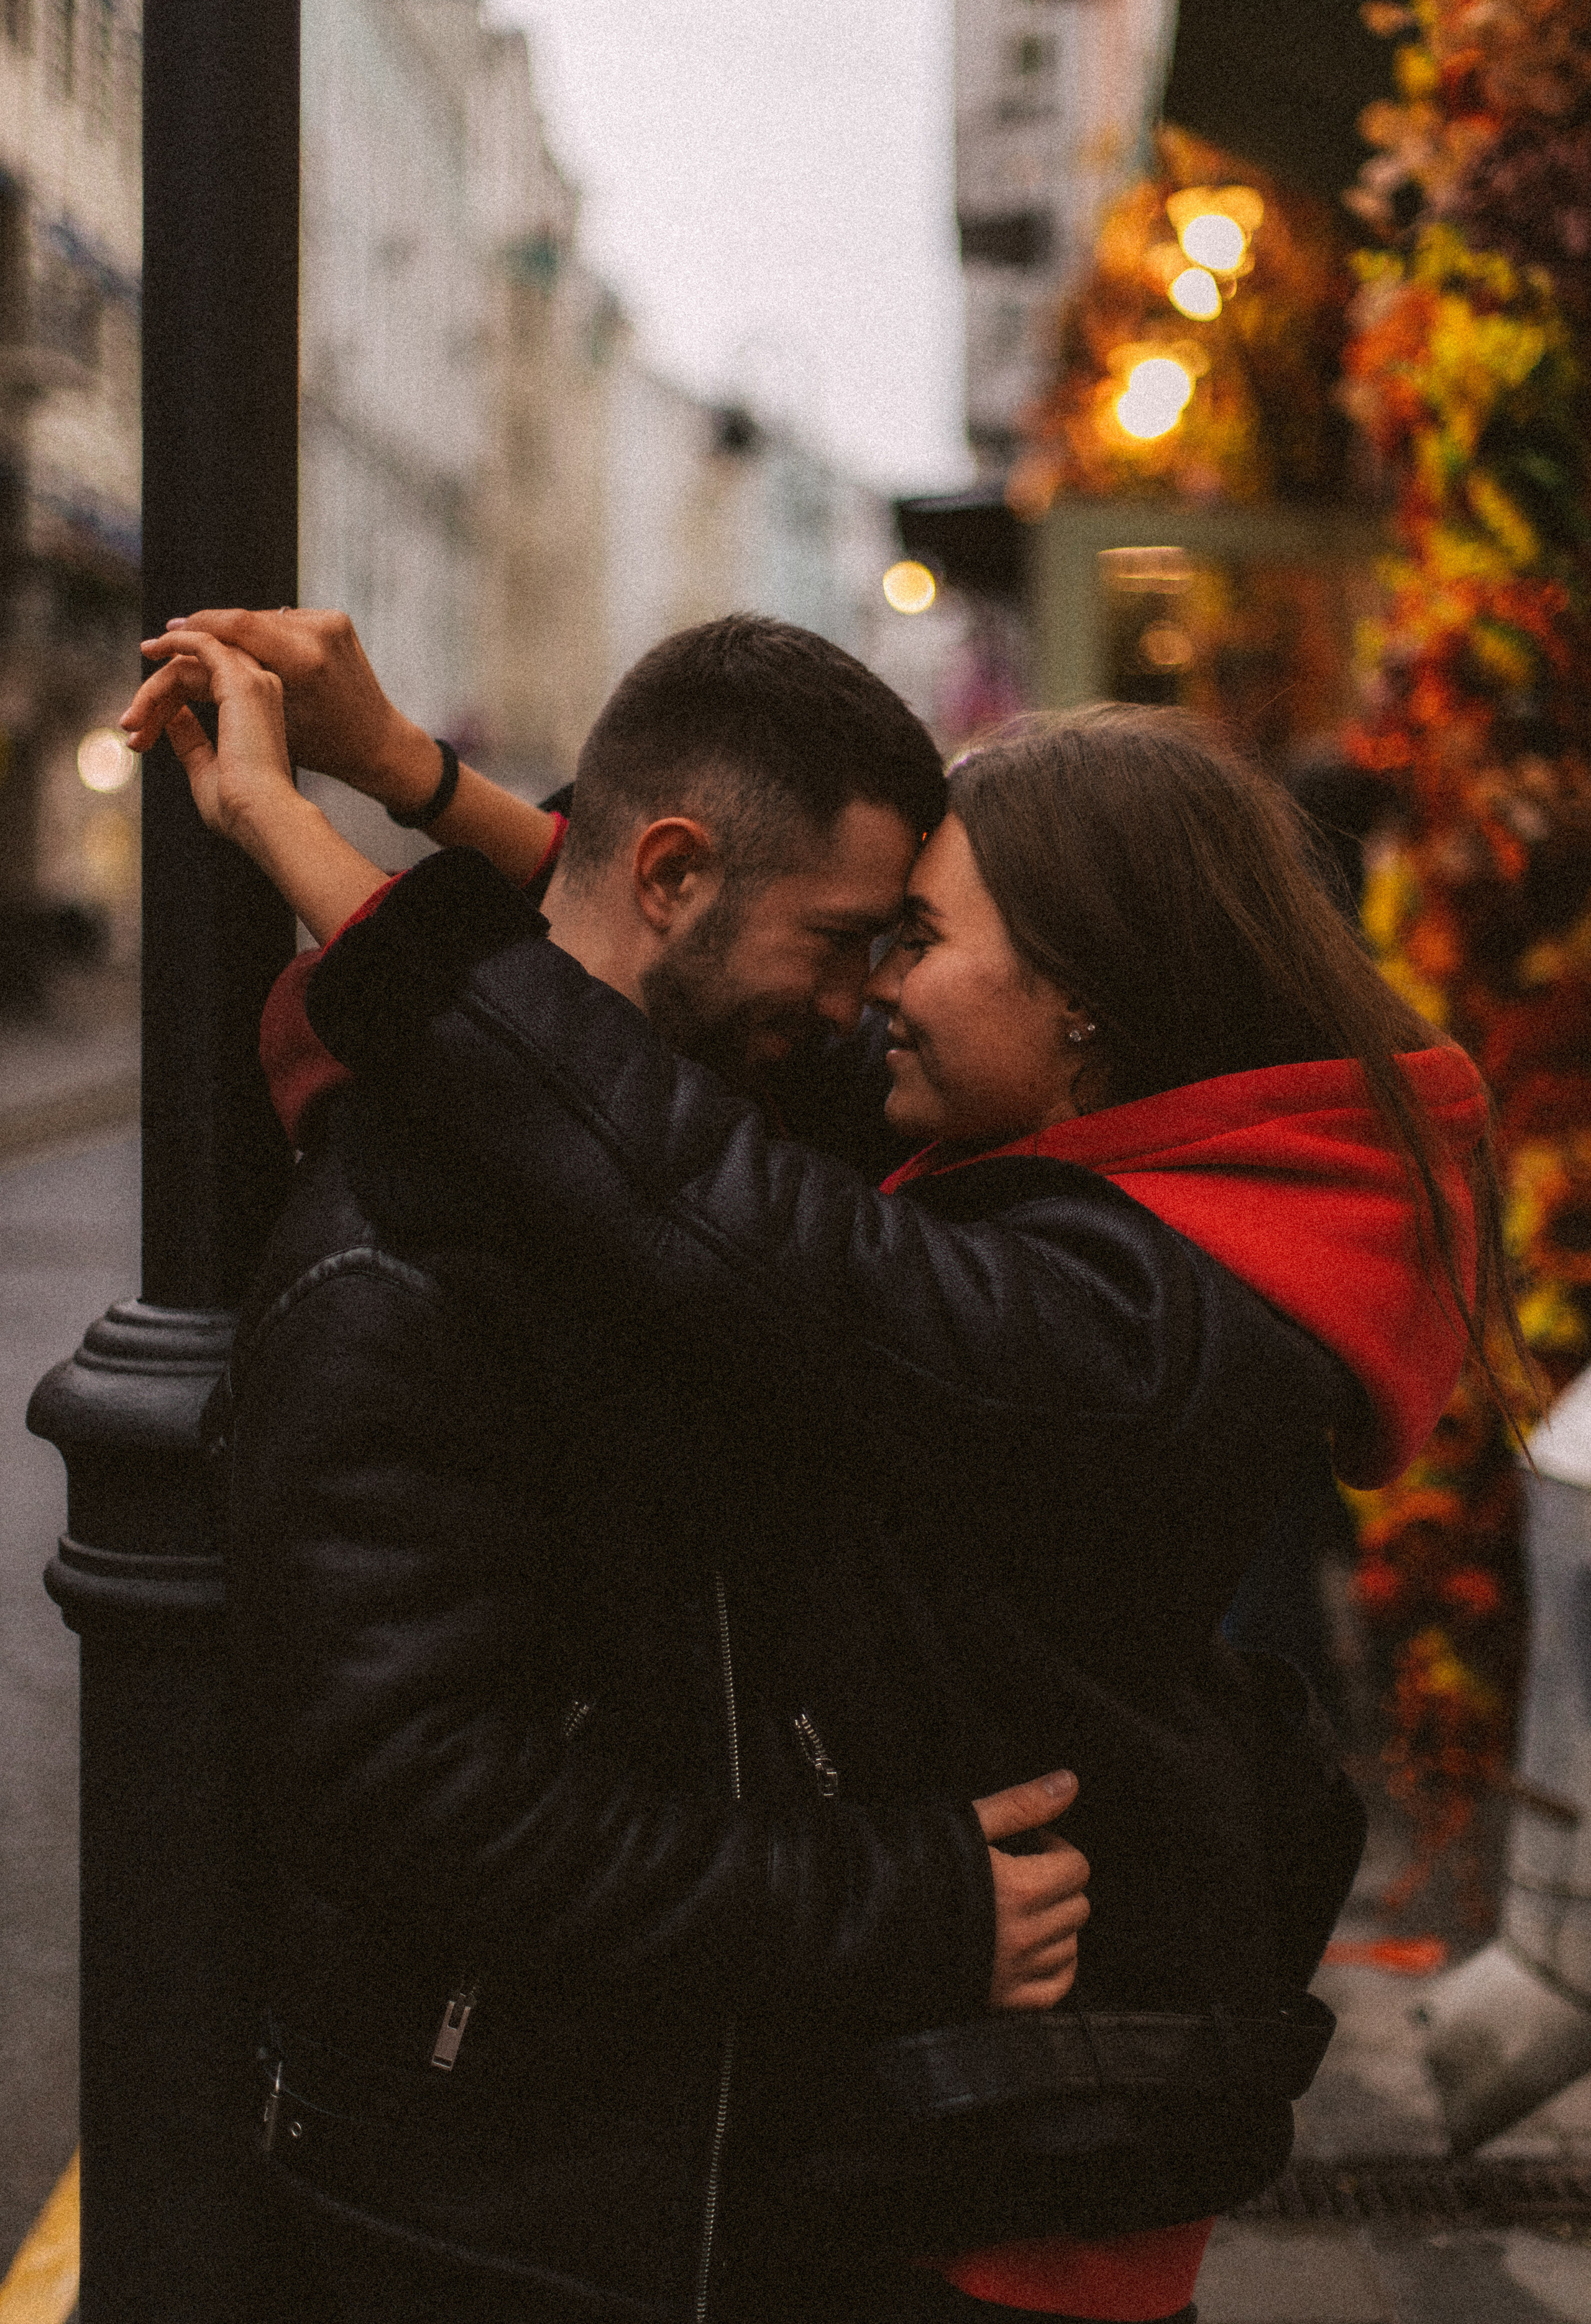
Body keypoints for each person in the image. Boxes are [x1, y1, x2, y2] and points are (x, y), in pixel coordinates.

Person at [128, 623, 1495, 2318]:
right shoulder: (1126, 1188)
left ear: (1086, 1002)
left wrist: (305, 840)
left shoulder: (1125, 1323)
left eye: (914, 941)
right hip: (963, 2115)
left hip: (1023, 2160)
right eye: (873, 939)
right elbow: (678, 961)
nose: (876, 998)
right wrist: (417, 776)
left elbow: (704, 1184)